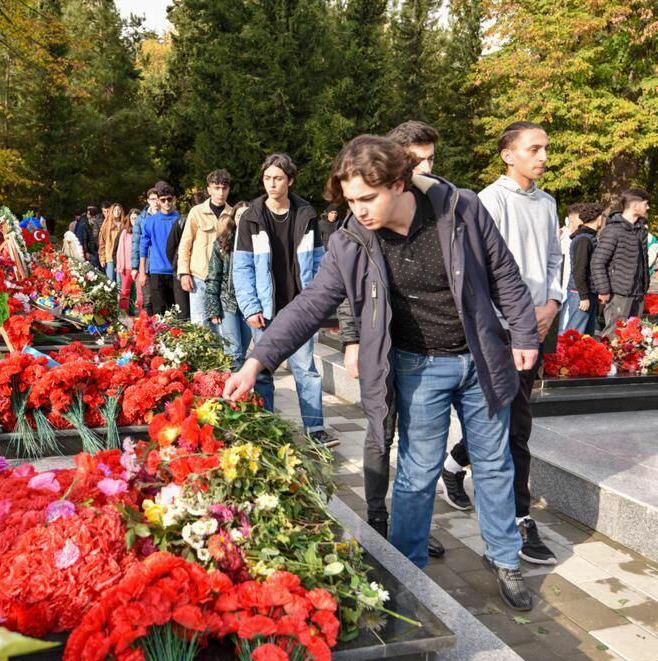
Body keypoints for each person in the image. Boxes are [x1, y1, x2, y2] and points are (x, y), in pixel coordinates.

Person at [224, 135, 539, 611]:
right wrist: (257, 359)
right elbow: (311, 303)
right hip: (418, 366)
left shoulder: (462, 209)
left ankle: (505, 559)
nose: (360, 210)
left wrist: (523, 335)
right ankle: (408, 567)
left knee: (494, 464)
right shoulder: (354, 238)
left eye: (368, 199)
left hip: (481, 359)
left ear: (399, 182)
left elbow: (504, 273)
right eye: (351, 200)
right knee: (416, 470)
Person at [441, 121, 563, 566]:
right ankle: (518, 520)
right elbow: (482, 268)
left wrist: (551, 301)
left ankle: (455, 464)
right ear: (508, 154)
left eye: (546, 148)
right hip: (500, 329)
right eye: (534, 149)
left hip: (537, 324)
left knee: (510, 417)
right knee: (515, 425)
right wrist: (512, 319)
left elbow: (554, 259)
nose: (544, 156)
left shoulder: (548, 202)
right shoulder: (488, 201)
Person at [339, 120, 446, 557]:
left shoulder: (436, 206)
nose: (427, 169)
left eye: (431, 160)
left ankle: (410, 523)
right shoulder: (363, 212)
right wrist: (352, 340)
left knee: (420, 444)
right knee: (381, 432)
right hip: (380, 346)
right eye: (418, 160)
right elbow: (346, 286)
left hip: (423, 350)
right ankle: (377, 514)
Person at [232, 152, 337, 448]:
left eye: (278, 178)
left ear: (290, 180)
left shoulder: (306, 214)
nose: (272, 184)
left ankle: (315, 430)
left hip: (300, 309)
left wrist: (321, 308)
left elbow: (319, 263)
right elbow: (241, 268)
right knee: (263, 372)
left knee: (306, 370)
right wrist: (250, 306)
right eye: (267, 178)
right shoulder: (252, 217)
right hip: (264, 310)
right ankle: (266, 428)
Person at [592, 188, 651, 337]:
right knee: (614, 336)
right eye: (646, 204)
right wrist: (603, 290)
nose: (648, 207)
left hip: (637, 293)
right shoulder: (613, 230)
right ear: (635, 205)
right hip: (619, 294)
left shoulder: (641, 230)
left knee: (632, 340)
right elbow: (598, 262)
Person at [179, 170, 233, 329]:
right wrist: (184, 273)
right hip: (199, 277)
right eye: (216, 188)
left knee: (223, 327)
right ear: (209, 189)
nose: (220, 192)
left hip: (223, 280)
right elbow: (185, 243)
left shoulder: (233, 214)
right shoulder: (196, 212)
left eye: (224, 188)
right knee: (200, 325)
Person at [205, 202, 250, 368]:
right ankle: (234, 393)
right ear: (234, 219)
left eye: (246, 216)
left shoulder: (258, 242)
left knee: (243, 350)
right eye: (239, 216)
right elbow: (213, 276)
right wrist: (212, 307)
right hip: (228, 302)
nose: (243, 220)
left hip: (250, 304)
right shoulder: (222, 243)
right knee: (234, 352)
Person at [560, 202, 604, 335]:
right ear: (598, 218)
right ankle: (564, 356)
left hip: (587, 292)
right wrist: (584, 296)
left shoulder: (589, 238)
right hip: (580, 293)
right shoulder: (584, 240)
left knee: (585, 335)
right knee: (574, 334)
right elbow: (579, 271)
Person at [138, 182, 181, 315]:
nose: (167, 203)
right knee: (158, 311)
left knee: (176, 311)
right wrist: (142, 271)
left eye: (169, 199)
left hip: (176, 272)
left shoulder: (180, 220)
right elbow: (143, 246)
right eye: (163, 200)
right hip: (157, 271)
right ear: (158, 201)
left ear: (174, 199)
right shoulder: (150, 221)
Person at [167, 190, 206, 320]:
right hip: (182, 271)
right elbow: (171, 247)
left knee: (196, 313)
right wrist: (177, 266)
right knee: (184, 313)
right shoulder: (181, 222)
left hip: (200, 272)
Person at [131, 187, 160, 314]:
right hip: (146, 263)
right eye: (153, 199)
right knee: (147, 299)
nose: (156, 202)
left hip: (161, 262)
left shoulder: (165, 215)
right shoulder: (141, 219)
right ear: (148, 201)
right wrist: (134, 266)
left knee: (160, 298)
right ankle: (148, 328)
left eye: (158, 199)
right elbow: (136, 243)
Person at [116, 210, 139, 313]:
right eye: (132, 218)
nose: (134, 220)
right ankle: (123, 312)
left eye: (136, 218)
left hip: (139, 267)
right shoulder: (125, 232)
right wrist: (120, 266)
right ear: (129, 220)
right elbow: (120, 250)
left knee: (138, 291)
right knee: (125, 290)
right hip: (127, 266)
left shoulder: (142, 231)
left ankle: (133, 310)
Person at [99, 204, 127, 283]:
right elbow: (102, 243)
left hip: (122, 257)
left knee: (120, 281)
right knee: (110, 281)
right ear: (112, 211)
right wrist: (102, 258)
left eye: (119, 210)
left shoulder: (124, 225)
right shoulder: (106, 225)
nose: (117, 212)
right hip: (110, 256)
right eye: (115, 210)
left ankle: (121, 296)